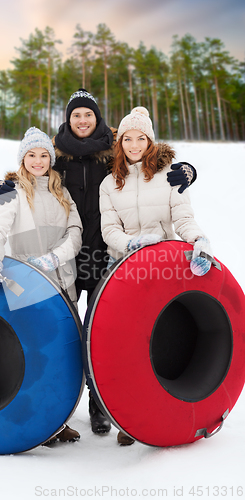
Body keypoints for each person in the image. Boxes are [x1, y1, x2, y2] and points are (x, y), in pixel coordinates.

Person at [0, 89, 198, 437]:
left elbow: (147, 161)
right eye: (76, 115)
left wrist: (186, 170)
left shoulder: (113, 148)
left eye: (89, 114)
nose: (82, 120)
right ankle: (55, 414)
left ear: (98, 118)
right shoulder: (56, 155)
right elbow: (29, 178)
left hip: (106, 252)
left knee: (106, 335)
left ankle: (101, 407)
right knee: (60, 337)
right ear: (67, 120)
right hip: (62, 258)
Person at [99, 106, 213, 444]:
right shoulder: (110, 183)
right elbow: (108, 229)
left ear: (151, 141)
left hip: (161, 267)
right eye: (127, 138)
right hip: (122, 267)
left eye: (141, 138)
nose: (134, 144)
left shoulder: (170, 175)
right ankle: (124, 417)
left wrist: (197, 238)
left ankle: (156, 411)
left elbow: (183, 215)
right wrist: (130, 243)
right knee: (121, 344)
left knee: (158, 337)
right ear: (119, 142)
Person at [0, 127, 83, 444]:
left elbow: (75, 234)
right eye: (31, 155)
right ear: (23, 159)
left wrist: (54, 258)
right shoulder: (12, 192)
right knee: (35, 356)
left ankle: (60, 420)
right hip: (27, 287)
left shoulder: (61, 193)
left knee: (66, 355)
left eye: (43, 155)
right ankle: (40, 423)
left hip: (62, 284)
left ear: (50, 160)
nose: (38, 161)